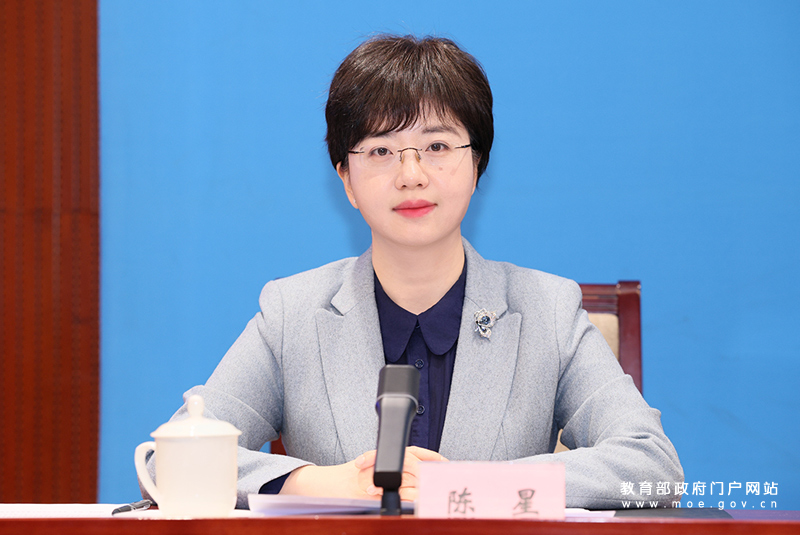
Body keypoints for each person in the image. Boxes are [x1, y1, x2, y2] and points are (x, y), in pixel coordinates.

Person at [144, 34, 683, 510]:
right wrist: (319, 483)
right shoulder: (292, 314)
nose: (411, 174)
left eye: (437, 146)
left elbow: (652, 464)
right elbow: (165, 460)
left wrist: (468, 488)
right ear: (346, 179)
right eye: (381, 150)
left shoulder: (548, 310)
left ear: (477, 165)